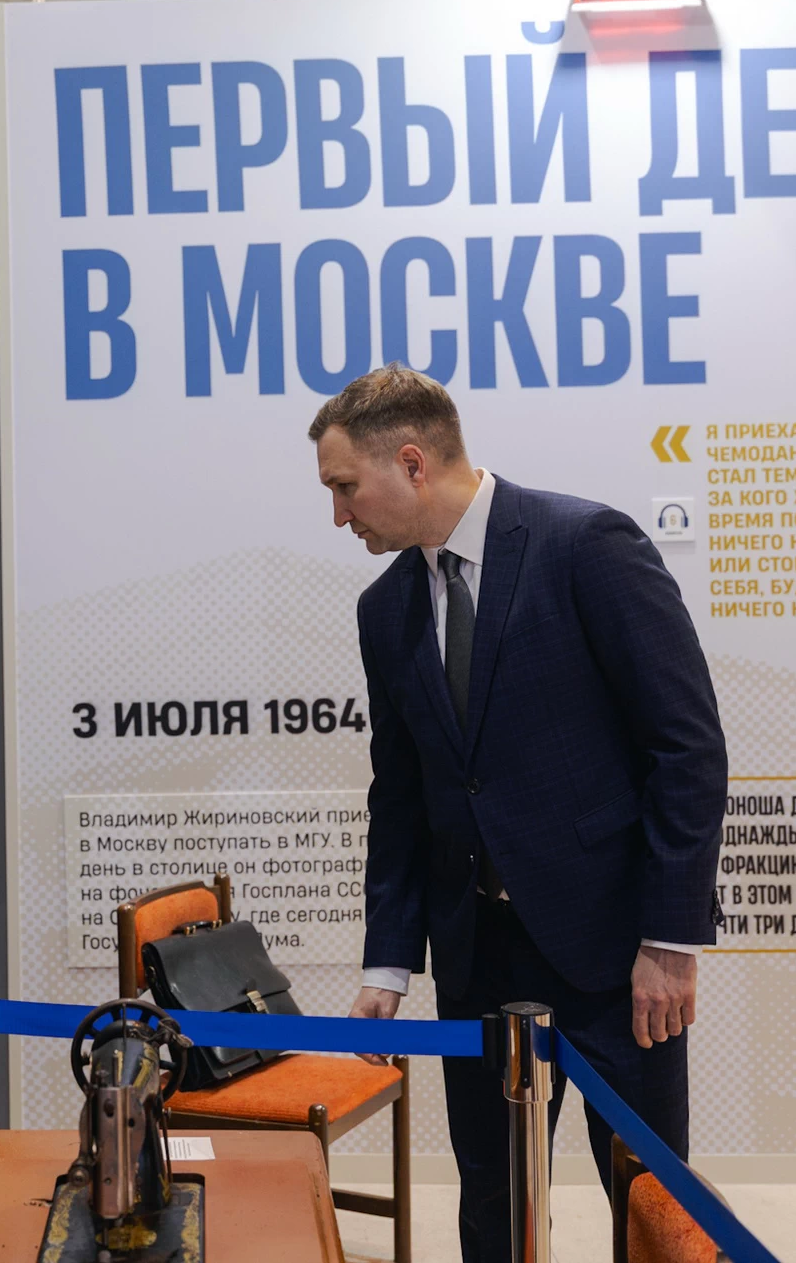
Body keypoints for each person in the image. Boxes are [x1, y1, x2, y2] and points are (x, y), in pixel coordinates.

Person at [309, 364, 726, 1263]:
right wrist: (388, 961)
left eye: (345, 487)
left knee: (651, 1202)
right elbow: (401, 795)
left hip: (616, 956)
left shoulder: (585, 545)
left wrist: (669, 939)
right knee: (493, 1207)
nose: (339, 515)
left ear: (411, 462)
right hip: (477, 960)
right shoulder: (384, 610)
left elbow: (686, 746)